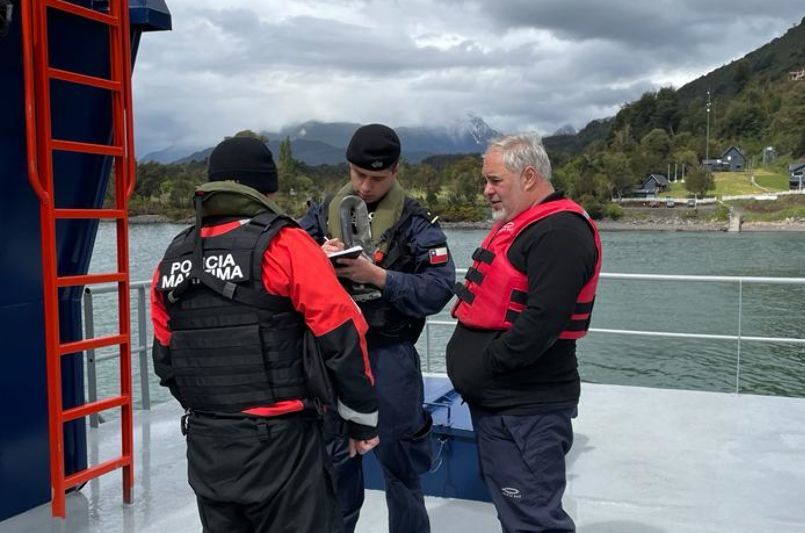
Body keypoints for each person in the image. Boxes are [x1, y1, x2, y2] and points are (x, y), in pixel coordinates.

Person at [151, 137, 379, 533]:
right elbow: (342, 335)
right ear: (267, 190)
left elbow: (165, 358)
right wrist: (361, 423)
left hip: (207, 444)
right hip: (282, 446)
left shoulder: (173, 257)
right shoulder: (285, 244)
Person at [300, 123, 455, 533]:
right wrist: (316, 257)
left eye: (377, 177)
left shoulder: (417, 223)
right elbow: (282, 268)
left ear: (396, 171)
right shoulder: (321, 213)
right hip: (333, 355)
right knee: (335, 466)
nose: (365, 186)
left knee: (402, 467)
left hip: (389, 354)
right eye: (358, 175)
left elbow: (440, 288)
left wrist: (379, 277)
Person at [446, 132, 602, 533]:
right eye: (486, 181)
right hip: (505, 407)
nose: (487, 190)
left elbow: (543, 323)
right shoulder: (528, 227)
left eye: (495, 180)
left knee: (534, 518)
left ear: (529, 176)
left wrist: (486, 366)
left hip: (526, 409)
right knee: (517, 514)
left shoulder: (560, 233)